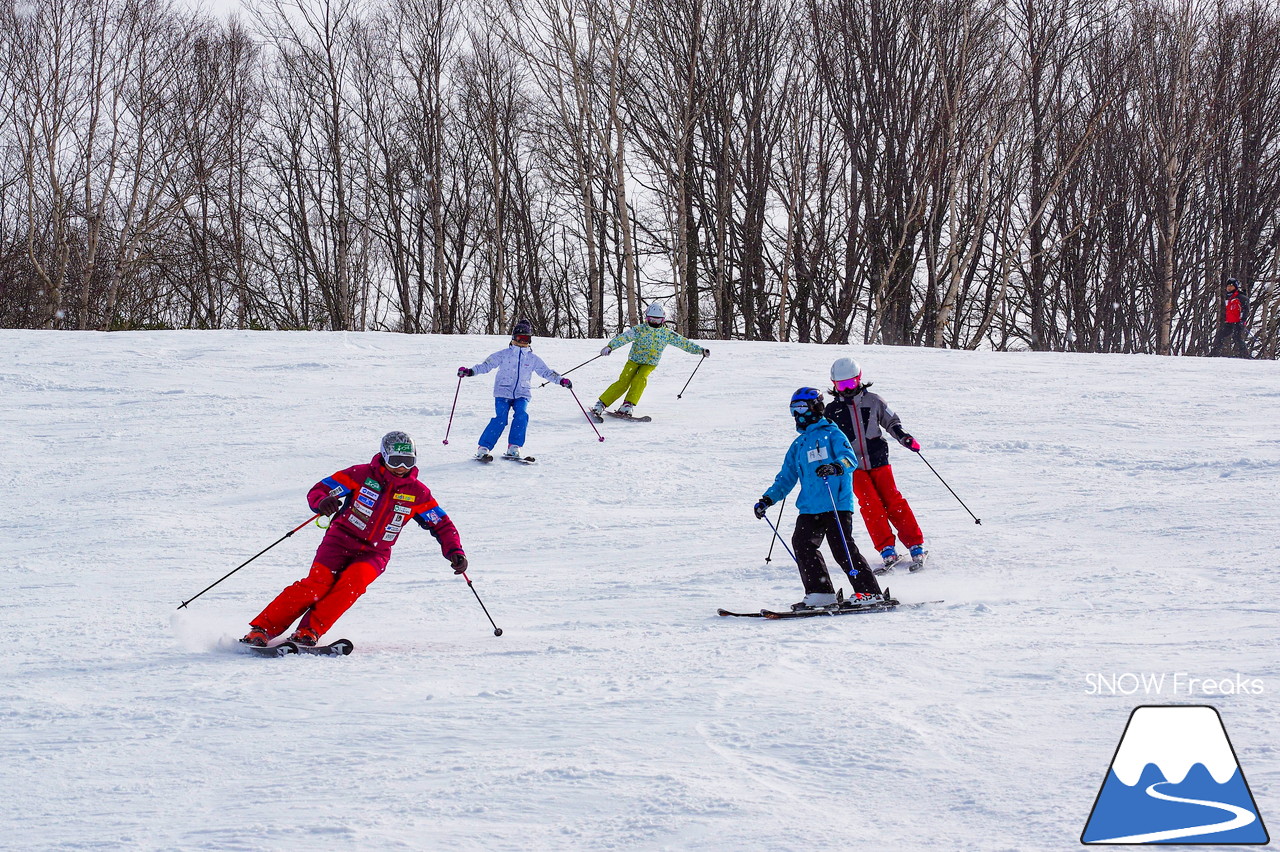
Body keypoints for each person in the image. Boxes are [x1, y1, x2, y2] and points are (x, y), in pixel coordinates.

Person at [240, 432, 466, 647]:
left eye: (408, 461)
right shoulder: (360, 474)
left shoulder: (418, 493)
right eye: (396, 460)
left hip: (375, 552)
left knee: (353, 584)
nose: (401, 468)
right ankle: (262, 629)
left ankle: (309, 631)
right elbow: (320, 489)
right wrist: (322, 502)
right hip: (340, 541)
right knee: (317, 584)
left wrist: (455, 551)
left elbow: (441, 524)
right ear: (384, 456)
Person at [753, 387, 882, 610]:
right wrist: (768, 499)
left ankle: (869, 592)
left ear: (816, 407)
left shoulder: (832, 434)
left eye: (802, 407)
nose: (798, 414)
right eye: (793, 410)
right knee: (802, 545)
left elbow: (850, 460)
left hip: (836, 504)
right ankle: (820, 593)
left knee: (842, 549)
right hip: (809, 508)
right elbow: (786, 477)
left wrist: (835, 467)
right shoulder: (798, 445)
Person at [824, 358, 927, 572]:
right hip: (853, 466)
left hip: (878, 459)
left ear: (859, 379)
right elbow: (827, 438)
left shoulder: (874, 400)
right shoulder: (831, 410)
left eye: (850, 384)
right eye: (841, 386)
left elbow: (892, 422)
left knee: (893, 500)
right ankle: (887, 549)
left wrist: (904, 437)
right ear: (834, 384)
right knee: (870, 505)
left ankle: (915, 544)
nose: (846, 389)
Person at [459, 318, 572, 460]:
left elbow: (546, 372)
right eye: (520, 338)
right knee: (501, 419)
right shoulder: (503, 354)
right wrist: (470, 371)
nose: (523, 341)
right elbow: (485, 365)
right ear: (513, 338)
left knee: (522, 415)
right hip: (502, 392)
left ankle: (514, 446)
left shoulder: (532, 358)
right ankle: (483, 448)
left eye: (526, 339)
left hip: (522, 393)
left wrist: (561, 380)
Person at [590, 303, 709, 419]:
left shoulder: (667, 334)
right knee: (623, 382)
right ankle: (601, 404)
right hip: (634, 361)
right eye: (652, 320)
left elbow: (684, 343)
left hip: (650, 363)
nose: (654, 323)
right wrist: (610, 346)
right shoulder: (639, 330)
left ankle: (628, 405)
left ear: (663, 320)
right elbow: (623, 338)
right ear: (647, 319)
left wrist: (700, 350)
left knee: (640, 379)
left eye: (658, 320)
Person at [1212, 278, 1251, 358]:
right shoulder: (1228, 297)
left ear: (1235, 287)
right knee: (1220, 335)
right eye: (1228, 286)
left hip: (1238, 322)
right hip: (1229, 322)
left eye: (1231, 286)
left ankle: (1245, 355)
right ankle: (1214, 353)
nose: (1229, 288)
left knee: (1237, 338)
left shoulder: (1241, 297)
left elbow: (1245, 310)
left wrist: (1243, 320)